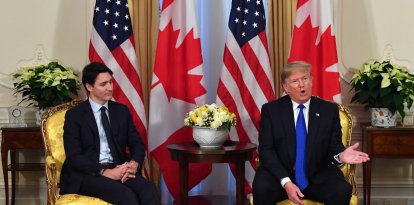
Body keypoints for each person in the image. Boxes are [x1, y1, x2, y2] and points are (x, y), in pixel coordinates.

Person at [252, 61, 369, 205]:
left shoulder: (328, 110)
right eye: (295, 81)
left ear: (311, 81)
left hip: (317, 174)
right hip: (280, 176)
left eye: (305, 78)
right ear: (286, 87)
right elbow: (266, 149)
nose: (302, 85)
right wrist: (286, 182)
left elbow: (334, 146)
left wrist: (341, 155)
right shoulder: (271, 110)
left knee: (341, 189)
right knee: (262, 189)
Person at [60, 62, 160, 205]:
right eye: (103, 84)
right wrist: (103, 171)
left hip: (119, 168)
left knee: (149, 189)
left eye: (111, 82)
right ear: (89, 87)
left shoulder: (121, 111)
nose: (110, 88)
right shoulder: (75, 115)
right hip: (88, 174)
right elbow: (74, 157)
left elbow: (136, 143)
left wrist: (134, 163)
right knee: (126, 196)